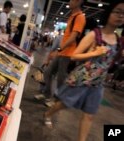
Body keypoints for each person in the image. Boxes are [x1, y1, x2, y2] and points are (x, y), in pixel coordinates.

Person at [43, 1, 124, 141]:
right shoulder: (95, 34)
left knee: (89, 114)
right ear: (109, 12)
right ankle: (48, 114)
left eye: (123, 13)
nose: (120, 16)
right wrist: (94, 53)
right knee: (64, 104)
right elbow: (74, 56)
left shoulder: (118, 39)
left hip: (98, 83)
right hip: (82, 78)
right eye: (117, 11)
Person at [34, 0, 86, 107]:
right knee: (48, 72)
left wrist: (60, 48)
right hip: (63, 52)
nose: (70, 1)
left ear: (79, 1)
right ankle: (47, 94)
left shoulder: (80, 17)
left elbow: (73, 37)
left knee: (61, 79)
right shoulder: (72, 16)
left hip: (68, 53)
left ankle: (56, 100)